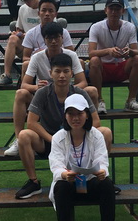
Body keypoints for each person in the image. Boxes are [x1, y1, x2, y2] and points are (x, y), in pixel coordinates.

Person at [14, 53, 112, 199]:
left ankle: (101, 177)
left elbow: (95, 121)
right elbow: (31, 122)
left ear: (72, 73)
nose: (62, 76)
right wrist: (53, 139)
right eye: (57, 71)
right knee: (23, 135)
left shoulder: (79, 93)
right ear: (50, 73)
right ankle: (33, 182)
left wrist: (76, 133)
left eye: (66, 71)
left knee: (105, 132)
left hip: (77, 140)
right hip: (49, 140)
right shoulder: (43, 93)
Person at [5, 21, 95, 157]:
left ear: (62, 38)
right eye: (49, 38)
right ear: (44, 40)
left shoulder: (71, 55)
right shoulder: (37, 57)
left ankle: (88, 134)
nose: (53, 41)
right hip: (44, 98)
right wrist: (37, 87)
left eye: (56, 37)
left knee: (91, 91)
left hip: (68, 96)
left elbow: (83, 82)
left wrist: (66, 88)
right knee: (20, 93)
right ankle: (18, 140)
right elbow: (24, 85)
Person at [49, 94, 122, 221]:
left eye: (79, 113)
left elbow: (102, 161)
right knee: (60, 186)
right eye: (71, 114)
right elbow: (56, 165)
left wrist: (102, 171)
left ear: (87, 115)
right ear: (65, 116)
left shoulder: (96, 135)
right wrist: (65, 174)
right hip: (69, 184)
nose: (75, 118)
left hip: (90, 182)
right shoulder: (58, 137)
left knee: (107, 184)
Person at [88, 0, 138, 114]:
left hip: (120, 67)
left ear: (122, 11)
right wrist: (108, 51)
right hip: (103, 69)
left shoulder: (129, 27)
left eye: (117, 9)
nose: (114, 12)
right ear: (105, 10)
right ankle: (99, 100)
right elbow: (91, 53)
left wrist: (128, 51)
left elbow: (136, 51)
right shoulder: (96, 27)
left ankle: (131, 101)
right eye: (111, 9)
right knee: (94, 60)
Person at [0, 0, 41, 87]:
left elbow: (49, 32)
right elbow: (20, 29)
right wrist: (18, 33)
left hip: (42, 47)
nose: (27, 2)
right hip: (27, 48)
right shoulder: (23, 9)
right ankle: (7, 75)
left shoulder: (44, 8)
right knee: (12, 39)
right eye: (24, 0)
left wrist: (28, 35)